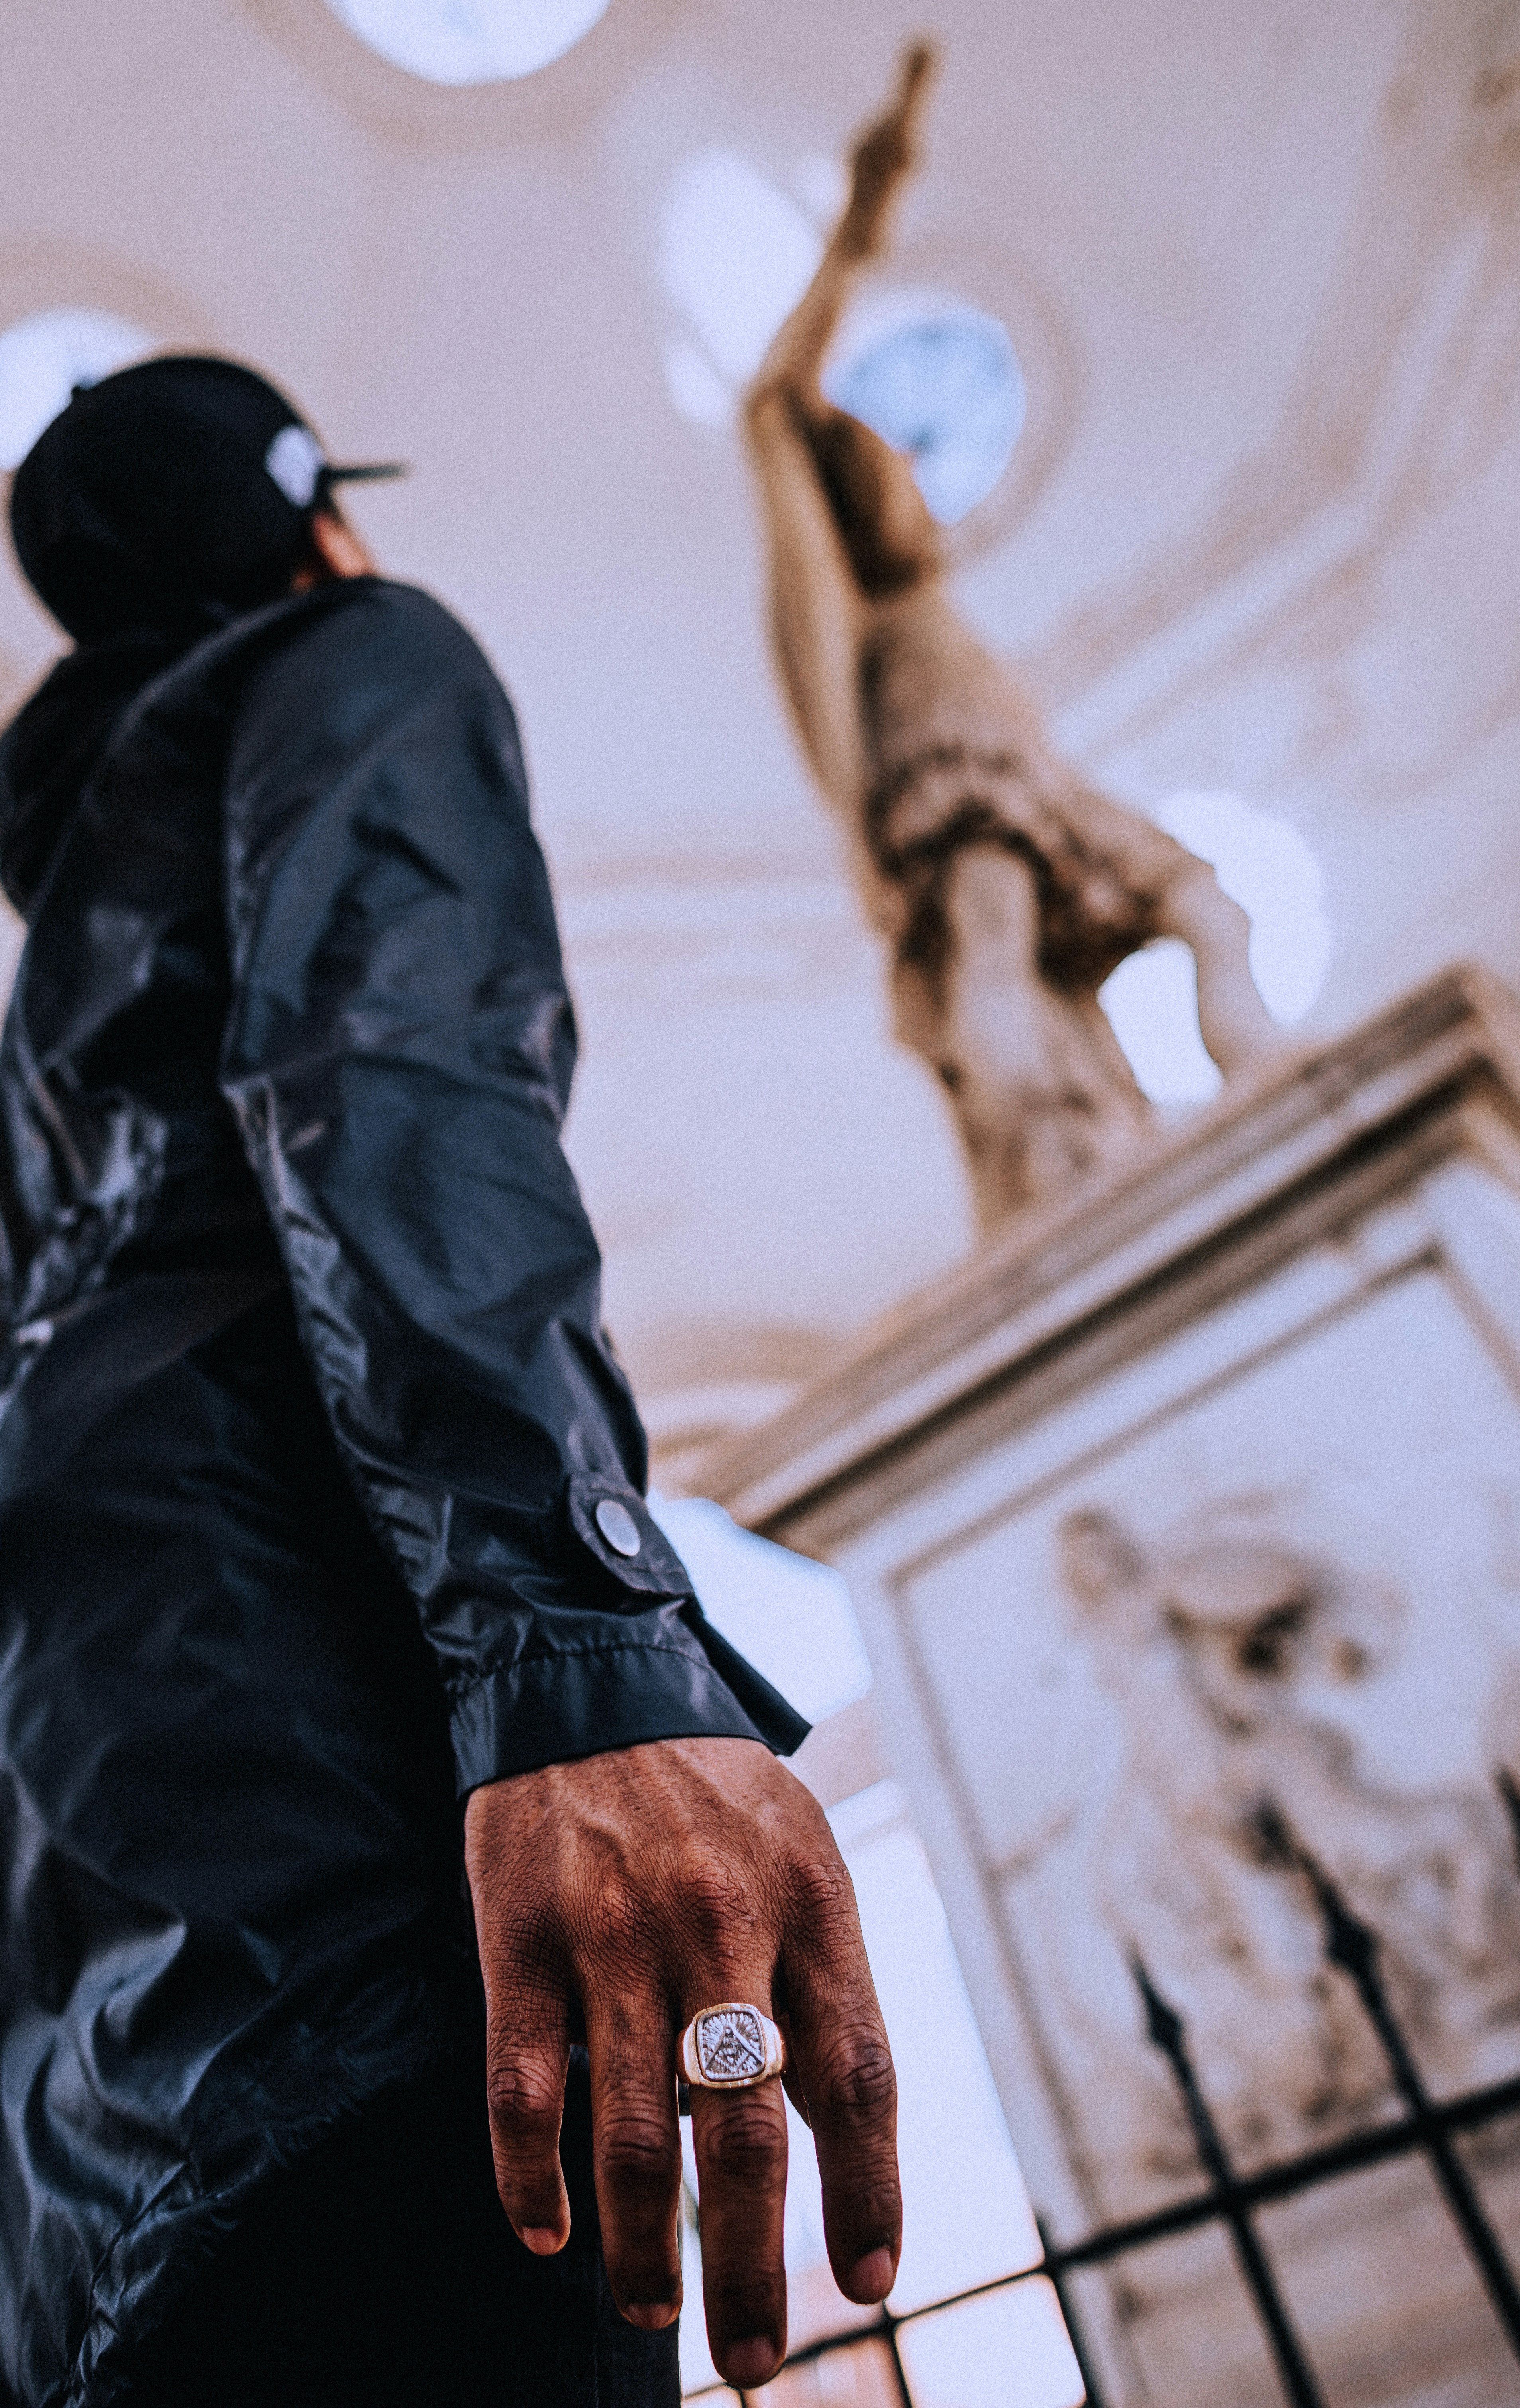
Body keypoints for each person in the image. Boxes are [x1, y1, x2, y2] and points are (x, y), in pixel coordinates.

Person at [0, 357, 901, 2407]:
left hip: (103, 2119)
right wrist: (580, 1654)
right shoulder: (355, 652)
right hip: (385, 1921)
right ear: (320, 522)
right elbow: (388, 1076)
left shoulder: (45, 1009)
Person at [742, 47, 1282, 1231]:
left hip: (1037, 781)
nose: (919, 496)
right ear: (845, 502)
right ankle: (1045, 1166)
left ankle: (1264, 1078)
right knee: (992, 950)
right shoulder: (870, 615)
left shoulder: (946, 614)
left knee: (1203, 901)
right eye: (890, 473)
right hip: (949, 787)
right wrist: (860, 222)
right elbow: (770, 406)